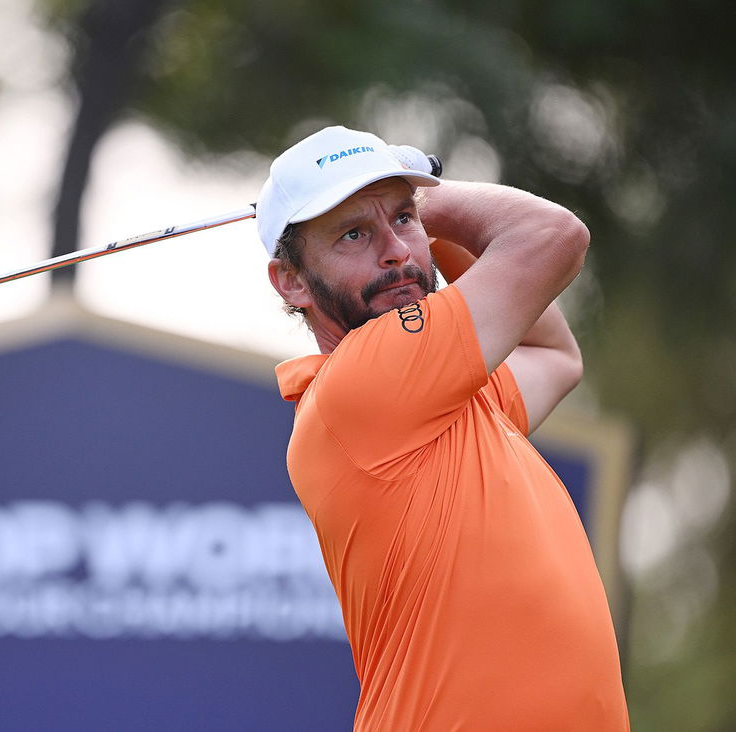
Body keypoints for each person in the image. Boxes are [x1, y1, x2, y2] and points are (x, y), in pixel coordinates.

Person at [259, 126, 629, 731]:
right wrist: (424, 199)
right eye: (353, 234)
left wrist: (403, 208)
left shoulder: (447, 395)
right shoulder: (366, 384)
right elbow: (554, 236)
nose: (397, 252)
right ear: (292, 282)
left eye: (404, 222)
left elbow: (555, 356)